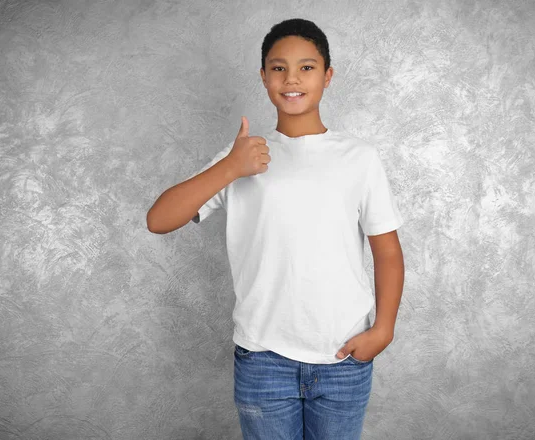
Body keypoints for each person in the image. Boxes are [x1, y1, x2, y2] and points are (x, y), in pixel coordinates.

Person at [146, 18, 405, 440]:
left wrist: (384, 329)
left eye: (307, 67)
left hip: (342, 356)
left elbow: (388, 252)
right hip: (264, 359)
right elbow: (158, 220)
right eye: (278, 67)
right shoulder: (243, 157)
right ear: (264, 76)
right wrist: (231, 166)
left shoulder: (359, 158)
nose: (292, 79)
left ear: (328, 75)